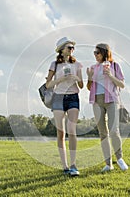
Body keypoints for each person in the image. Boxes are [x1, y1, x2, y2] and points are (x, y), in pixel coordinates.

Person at [86, 43, 128, 172]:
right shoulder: (93, 67)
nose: (95, 55)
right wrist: (89, 78)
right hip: (97, 101)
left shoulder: (115, 66)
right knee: (103, 133)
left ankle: (120, 158)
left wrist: (110, 75)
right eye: (94, 53)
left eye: (97, 53)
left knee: (114, 130)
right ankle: (108, 164)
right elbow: (89, 88)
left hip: (111, 100)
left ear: (104, 53)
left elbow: (122, 85)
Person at [46, 37, 83, 176]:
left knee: (72, 130)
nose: (71, 50)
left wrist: (76, 78)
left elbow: (81, 86)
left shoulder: (78, 64)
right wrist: (61, 79)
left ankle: (73, 165)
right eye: (69, 47)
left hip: (73, 97)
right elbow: (48, 84)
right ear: (61, 50)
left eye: (73, 48)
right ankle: (65, 166)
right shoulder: (54, 64)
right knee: (61, 133)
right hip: (58, 98)